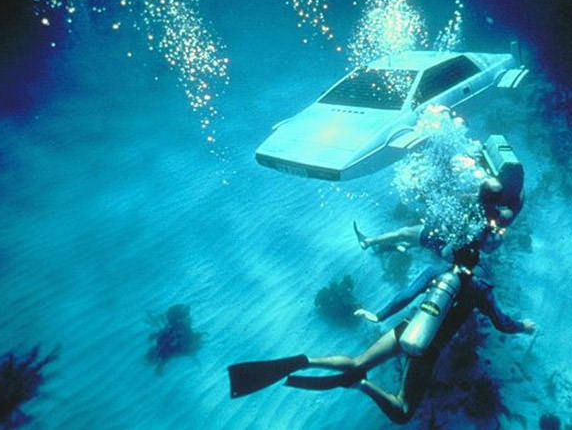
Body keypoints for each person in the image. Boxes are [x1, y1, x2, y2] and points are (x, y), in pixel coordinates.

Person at [228, 245, 535, 424]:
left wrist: (378, 315)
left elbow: (406, 295)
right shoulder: (481, 290)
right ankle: (361, 384)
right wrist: (524, 326)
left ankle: (305, 360)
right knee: (402, 412)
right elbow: (502, 323)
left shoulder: (436, 272)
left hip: (404, 329)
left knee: (357, 361)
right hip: (426, 350)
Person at [353, 175, 525, 259]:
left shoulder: (468, 200)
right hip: (456, 253)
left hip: (441, 238)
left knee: (404, 232)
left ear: (480, 191)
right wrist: (520, 186)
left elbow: (444, 200)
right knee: (416, 240)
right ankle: (402, 247)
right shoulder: (501, 216)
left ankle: (368, 242)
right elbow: (518, 205)